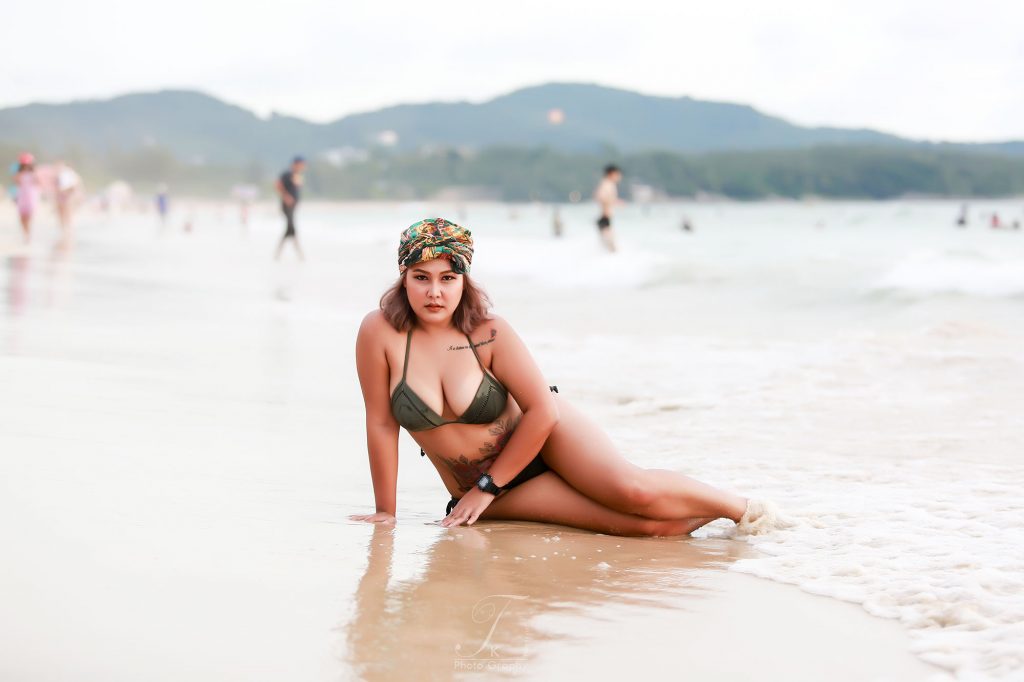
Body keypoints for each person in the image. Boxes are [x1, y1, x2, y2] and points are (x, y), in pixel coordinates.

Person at [350, 218, 782, 536]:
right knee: (648, 530)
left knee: (635, 493)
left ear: (465, 280)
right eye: (421, 278)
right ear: (403, 278)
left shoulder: (488, 332)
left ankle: (746, 510)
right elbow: (381, 423)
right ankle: (706, 524)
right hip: (484, 488)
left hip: (544, 436)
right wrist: (385, 511)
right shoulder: (380, 332)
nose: (435, 292)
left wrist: (486, 486)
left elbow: (541, 411)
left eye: (448, 278)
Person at [274, 155, 306, 261]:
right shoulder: (287, 174)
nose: (303, 166)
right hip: (287, 205)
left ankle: (279, 253)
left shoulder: (297, 175)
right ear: (296, 164)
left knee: (289, 229)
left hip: (293, 206)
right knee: (291, 228)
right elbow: (278, 185)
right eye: (301, 164)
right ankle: (298, 252)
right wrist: (286, 196)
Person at [593, 164, 622, 252]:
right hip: (605, 219)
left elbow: (597, 196)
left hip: (604, 219)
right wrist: (613, 201)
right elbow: (600, 196)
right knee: (612, 249)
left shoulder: (606, 183)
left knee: (607, 249)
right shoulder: (608, 184)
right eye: (617, 174)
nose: (619, 176)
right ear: (611, 174)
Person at [13, 153, 39, 242]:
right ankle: (25, 234)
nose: (26, 166)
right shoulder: (19, 173)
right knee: (21, 217)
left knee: (28, 217)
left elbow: (38, 183)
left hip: (31, 196)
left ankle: (28, 236)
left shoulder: (34, 173)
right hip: (21, 196)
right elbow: (16, 182)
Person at [54, 160, 82, 230]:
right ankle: (65, 236)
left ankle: (67, 237)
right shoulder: (64, 174)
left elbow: (74, 187)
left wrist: (63, 191)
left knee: (66, 218)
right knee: (65, 218)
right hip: (64, 197)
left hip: (67, 198)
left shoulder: (69, 174)